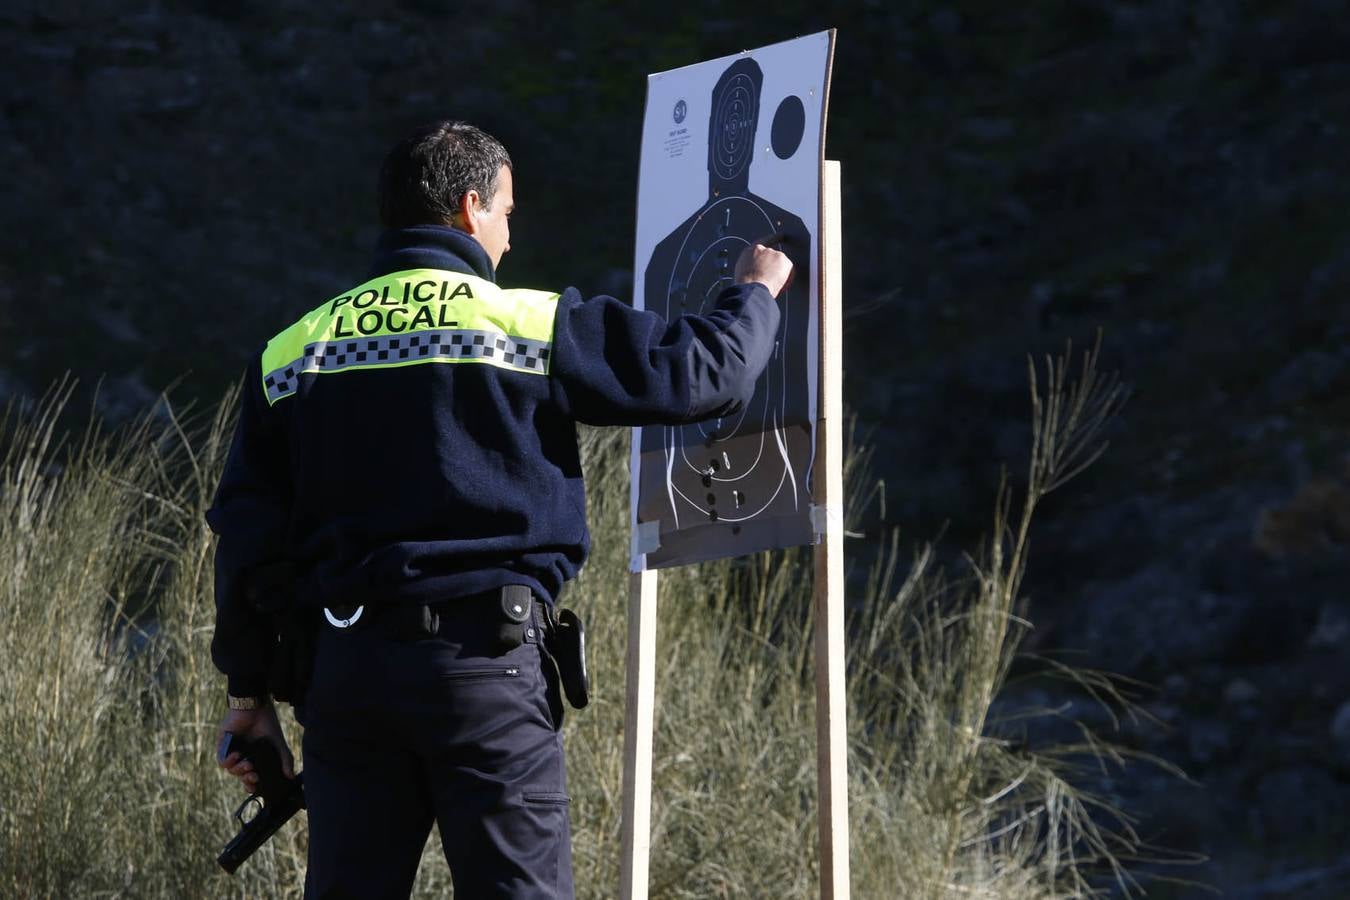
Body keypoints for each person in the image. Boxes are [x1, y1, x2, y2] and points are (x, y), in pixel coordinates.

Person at [208, 119, 792, 899]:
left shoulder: (293, 351)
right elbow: (701, 374)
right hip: (486, 667)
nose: (510, 239)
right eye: (507, 213)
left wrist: (249, 696)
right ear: (470, 206)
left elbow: (247, 543)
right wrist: (756, 292)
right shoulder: (529, 323)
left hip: (349, 681)